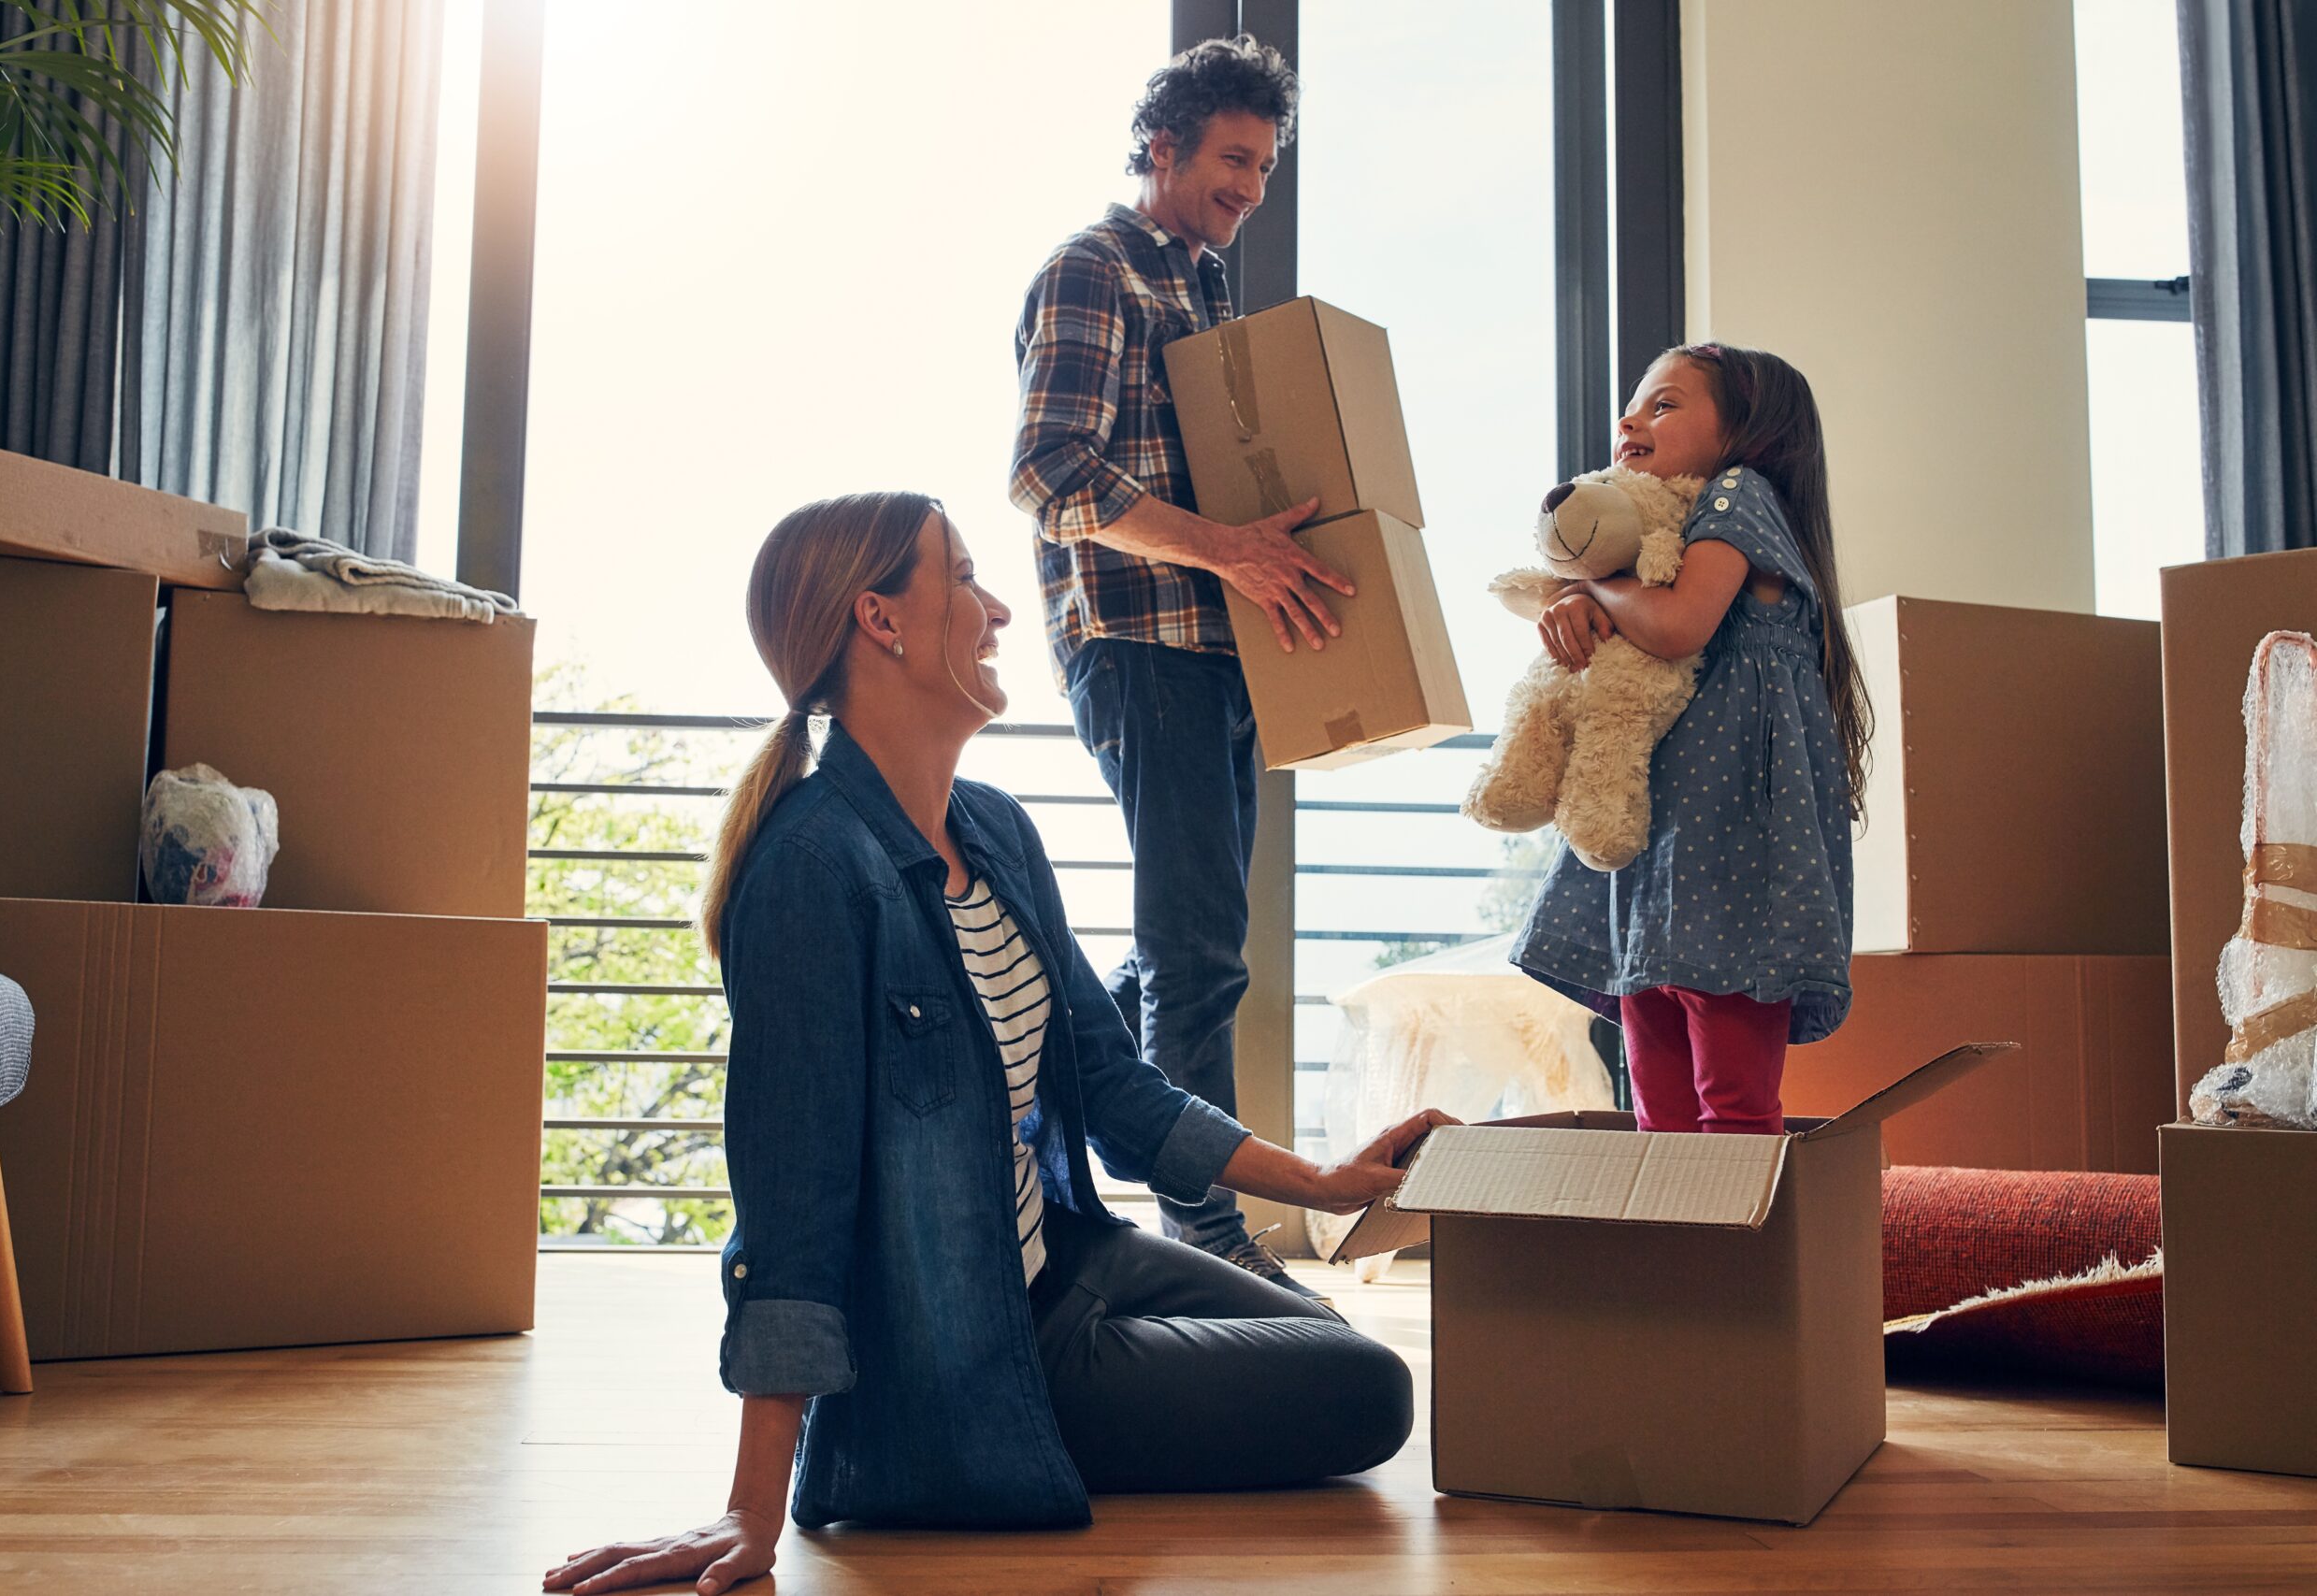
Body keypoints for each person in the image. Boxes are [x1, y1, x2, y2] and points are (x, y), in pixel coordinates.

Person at [544, 492, 1442, 1596]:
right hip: (970, 1348)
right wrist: (750, 1509)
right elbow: (793, 1202)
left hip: (1063, 1261)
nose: (1000, 607)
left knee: (1332, 1341)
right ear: (881, 620)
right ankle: (955, 1460)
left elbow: (1112, 1083)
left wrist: (1323, 1180)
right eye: (965, 578)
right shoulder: (811, 872)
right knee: (1367, 1397)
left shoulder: (997, 832)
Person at [1011, 35, 1354, 1293]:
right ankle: (1204, 1224)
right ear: (1161, 145)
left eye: (1264, 171)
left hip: (1219, 652)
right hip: (1140, 643)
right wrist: (1230, 552)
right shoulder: (1095, 269)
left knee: (1187, 948)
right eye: (1231, 161)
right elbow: (1050, 474)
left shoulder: (1209, 297)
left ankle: (1069, 1080)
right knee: (1202, 949)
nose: (1249, 192)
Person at [1513, 344, 1870, 1135]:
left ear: (1745, 433)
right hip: (1659, 864)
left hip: (1727, 867)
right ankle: (1678, 1260)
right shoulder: (1655, 537)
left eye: (1665, 405)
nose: (1631, 420)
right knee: (1660, 1115)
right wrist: (1584, 592)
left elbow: (1676, 626)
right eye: (1634, 406)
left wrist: (1591, 582)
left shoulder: (1739, 495)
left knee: (1731, 1108)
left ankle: (1742, 1261)